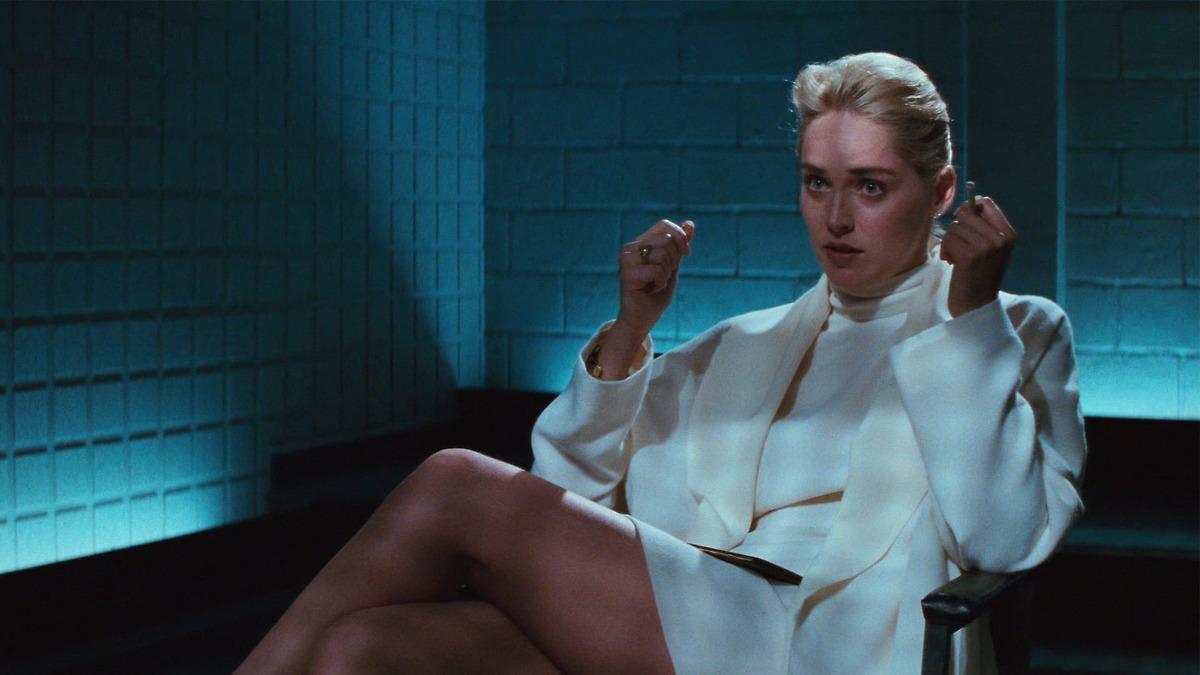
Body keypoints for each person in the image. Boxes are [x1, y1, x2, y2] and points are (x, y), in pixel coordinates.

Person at [236, 52, 1086, 675]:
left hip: (818, 640)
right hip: (684, 611)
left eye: (870, 186)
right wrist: (633, 329)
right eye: (815, 182)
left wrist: (970, 320)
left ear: (941, 192)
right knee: (361, 647)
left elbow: (1003, 540)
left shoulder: (1014, 330)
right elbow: (563, 488)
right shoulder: (745, 344)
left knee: (455, 479)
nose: (835, 218)